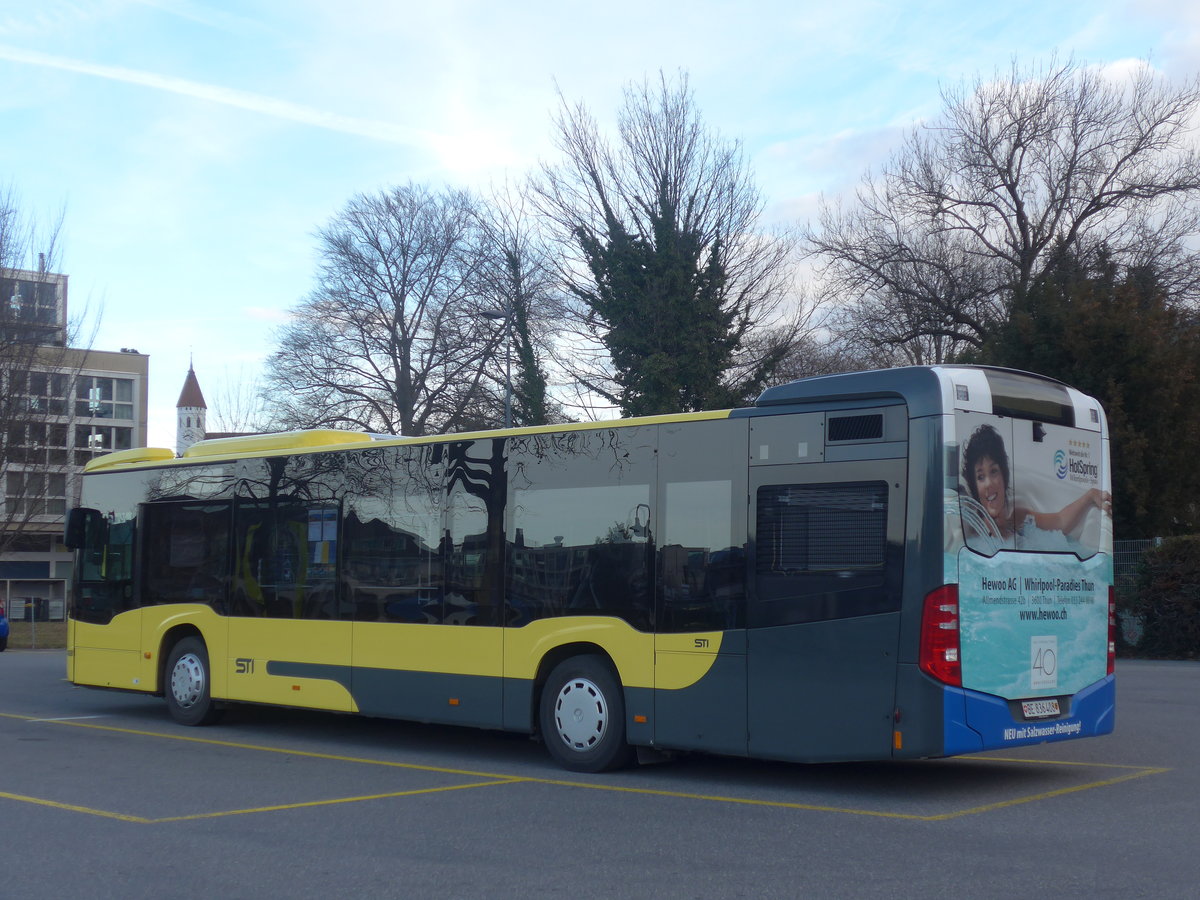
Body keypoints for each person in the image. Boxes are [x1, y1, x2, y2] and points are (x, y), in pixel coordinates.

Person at [962, 423, 1111, 540]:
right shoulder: (975, 535)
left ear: (1004, 475)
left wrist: (1090, 495)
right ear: (974, 486)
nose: (989, 483)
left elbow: (1060, 522)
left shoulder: (1018, 519)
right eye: (981, 477)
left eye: (994, 471)